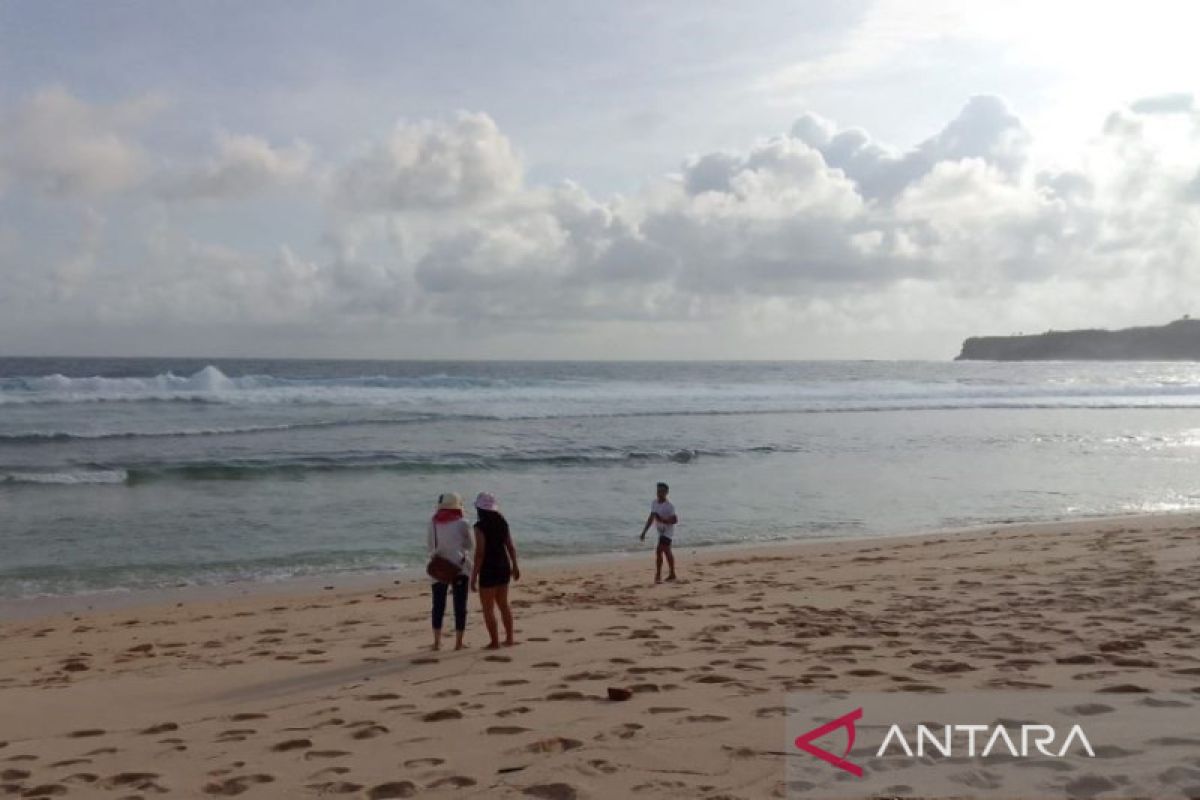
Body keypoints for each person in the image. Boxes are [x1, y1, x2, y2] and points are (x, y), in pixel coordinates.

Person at [470, 492, 520, 649]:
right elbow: (510, 546)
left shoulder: (479, 527)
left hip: (488, 568)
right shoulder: (502, 522)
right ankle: (510, 638)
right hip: (503, 565)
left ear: (479, 509)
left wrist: (474, 576)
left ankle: (495, 642)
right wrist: (515, 565)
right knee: (504, 604)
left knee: (488, 608)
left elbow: (479, 553)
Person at [427, 492, 472, 651]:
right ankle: (459, 643)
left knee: (438, 605)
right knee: (460, 605)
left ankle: (437, 642)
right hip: (460, 567)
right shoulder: (463, 523)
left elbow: (430, 546)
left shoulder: (433, 522)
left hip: (439, 567)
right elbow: (469, 545)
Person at [639, 481, 678, 582]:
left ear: (666, 493)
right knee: (667, 551)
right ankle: (672, 573)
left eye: (661, 491)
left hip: (668, 532)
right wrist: (644, 532)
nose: (659, 493)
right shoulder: (654, 503)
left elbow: (675, 520)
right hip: (660, 532)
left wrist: (663, 520)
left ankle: (658, 575)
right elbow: (651, 518)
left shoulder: (669, 506)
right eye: (658, 491)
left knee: (659, 550)